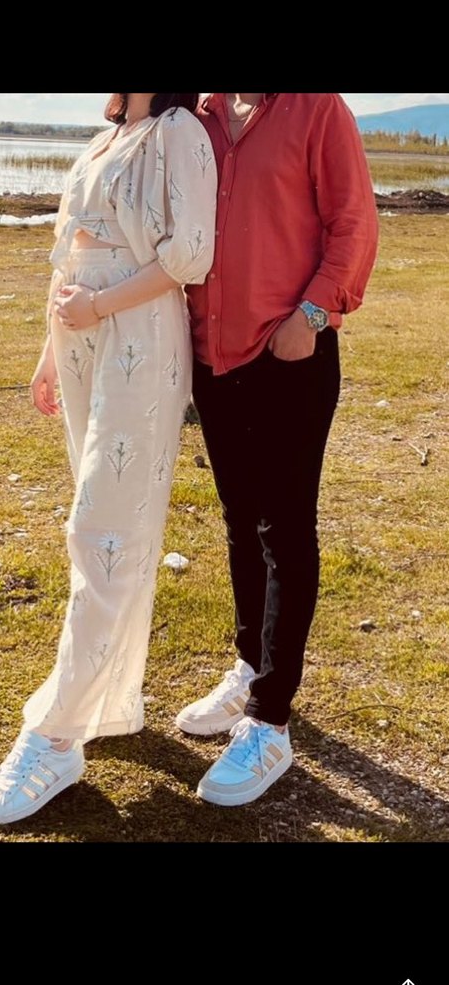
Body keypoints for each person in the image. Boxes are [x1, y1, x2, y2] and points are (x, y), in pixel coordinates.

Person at [0, 93, 217, 826]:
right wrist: (49, 350)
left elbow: (188, 256)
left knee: (101, 527)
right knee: (110, 528)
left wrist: (98, 310)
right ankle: (111, 699)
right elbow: (71, 249)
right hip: (79, 337)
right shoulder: (106, 137)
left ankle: (55, 736)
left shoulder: (178, 130)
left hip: (136, 335)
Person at [176, 92, 379, 807]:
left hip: (290, 355)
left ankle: (269, 721)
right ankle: (247, 668)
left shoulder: (318, 109)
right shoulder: (199, 116)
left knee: (284, 530)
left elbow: (353, 224)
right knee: (240, 520)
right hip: (214, 359)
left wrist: (311, 316)